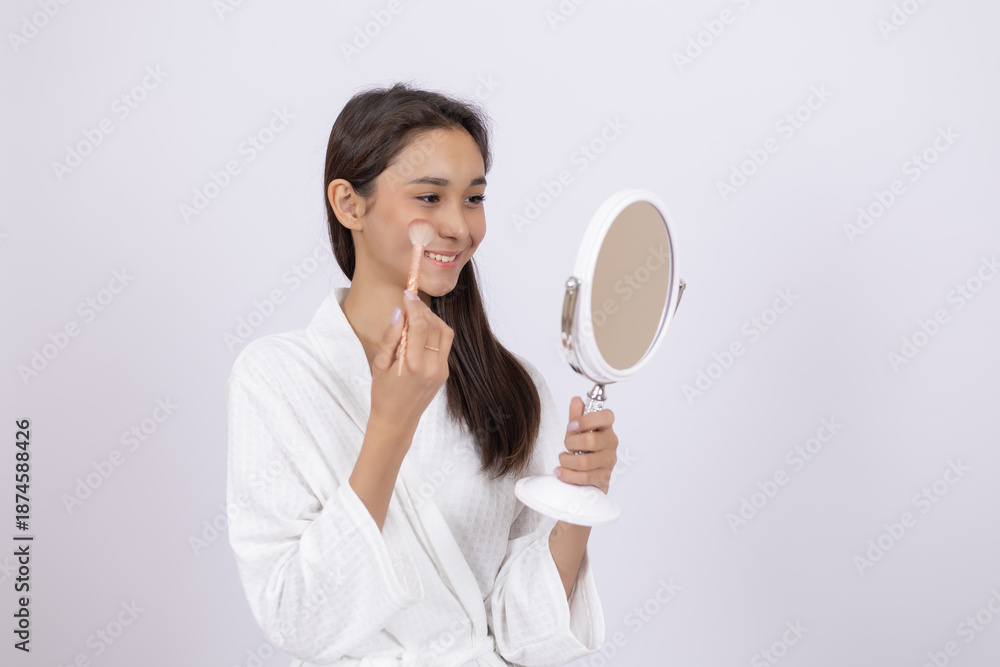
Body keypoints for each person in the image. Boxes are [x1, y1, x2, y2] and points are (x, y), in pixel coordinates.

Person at [225, 81, 620, 666]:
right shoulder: (277, 378)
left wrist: (579, 501)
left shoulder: (510, 387)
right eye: (430, 197)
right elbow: (300, 619)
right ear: (349, 204)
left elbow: (524, 636)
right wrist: (392, 422)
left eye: (474, 198)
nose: (460, 226)